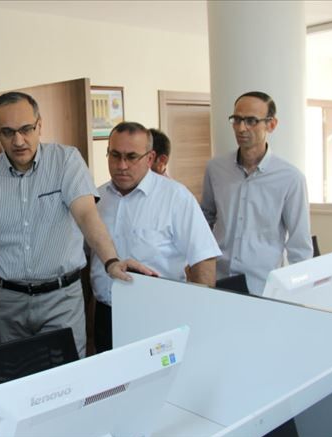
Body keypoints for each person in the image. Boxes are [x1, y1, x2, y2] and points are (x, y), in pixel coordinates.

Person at [0, 91, 154, 357]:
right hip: (6, 304)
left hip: (60, 300)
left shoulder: (66, 161)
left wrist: (111, 261)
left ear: (39, 125)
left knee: (68, 376)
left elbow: (86, 215)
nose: (18, 141)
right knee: (15, 378)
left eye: (26, 129)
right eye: (7, 132)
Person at [90, 122, 221, 353]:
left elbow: (204, 260)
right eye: (115, 155)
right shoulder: (97, 199)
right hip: (106, 314)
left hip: (158, 315)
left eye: (131, 157)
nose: (121, 165)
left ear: (150, 158)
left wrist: (198, 317)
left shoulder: (176, 197)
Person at [201, 91, 313, 294]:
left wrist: (300, 295)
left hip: (263, 286)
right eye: (237, 120)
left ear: (271, 124)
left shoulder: (291, 178)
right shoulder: (215, 168)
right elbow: (204, 220)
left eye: (251, 121)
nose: (241, 128)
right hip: (219, 280)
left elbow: (300, 247)